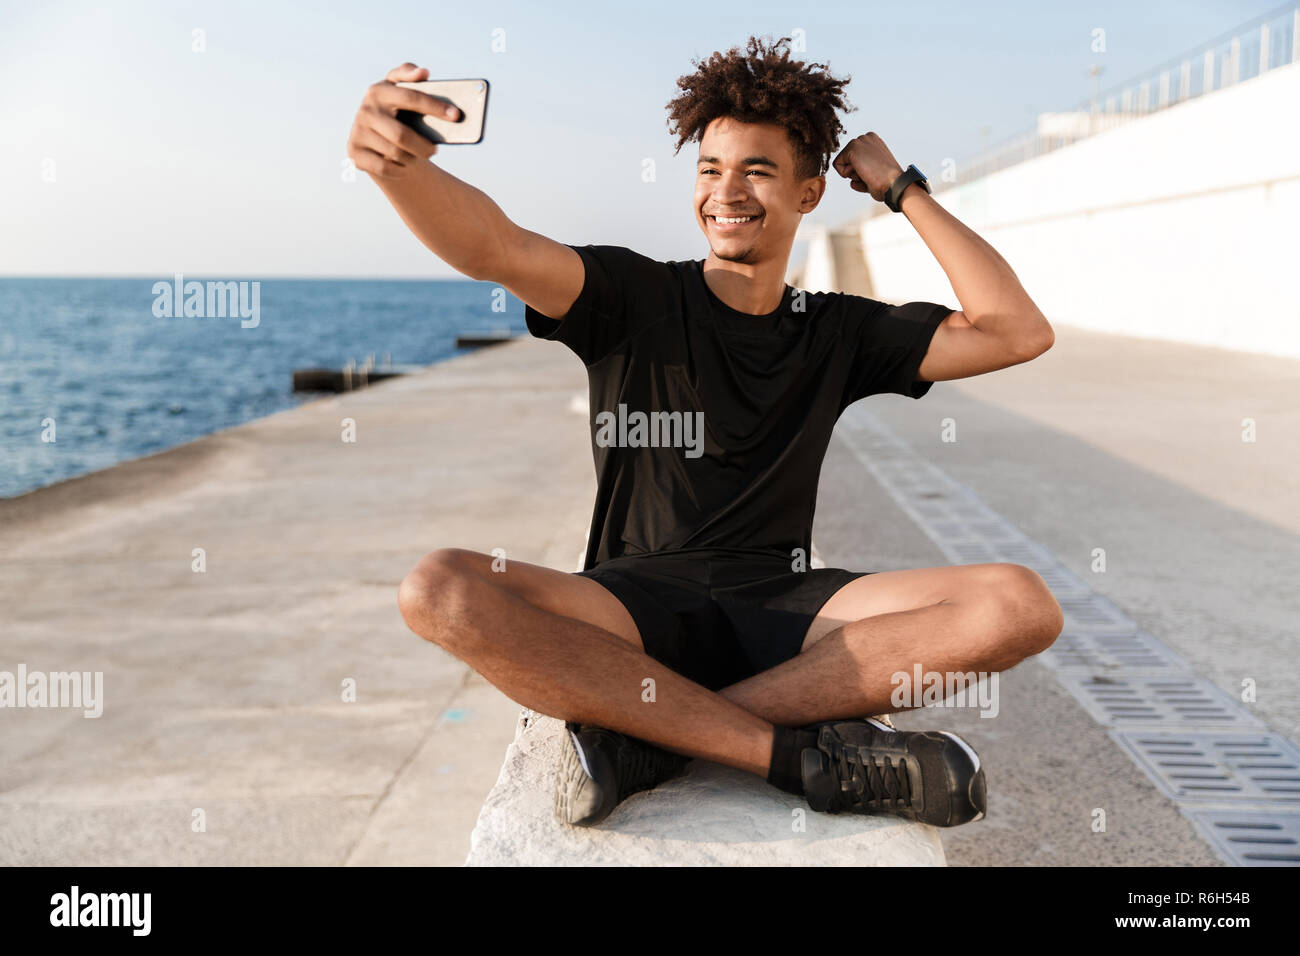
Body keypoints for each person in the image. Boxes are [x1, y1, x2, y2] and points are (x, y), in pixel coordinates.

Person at [349, 35, 1063, 831]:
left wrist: (903, 189)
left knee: (1019, 605)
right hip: (630, 607)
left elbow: (1016, 332)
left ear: (808, 193)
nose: (727, 192)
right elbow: (496, 247)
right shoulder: (631, 294)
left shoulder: (835, 329)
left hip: (790, 606)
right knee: (439, 588)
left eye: (756, 170)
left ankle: (658, 737)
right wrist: (399, 169)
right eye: (709, 170)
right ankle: (790, 759)